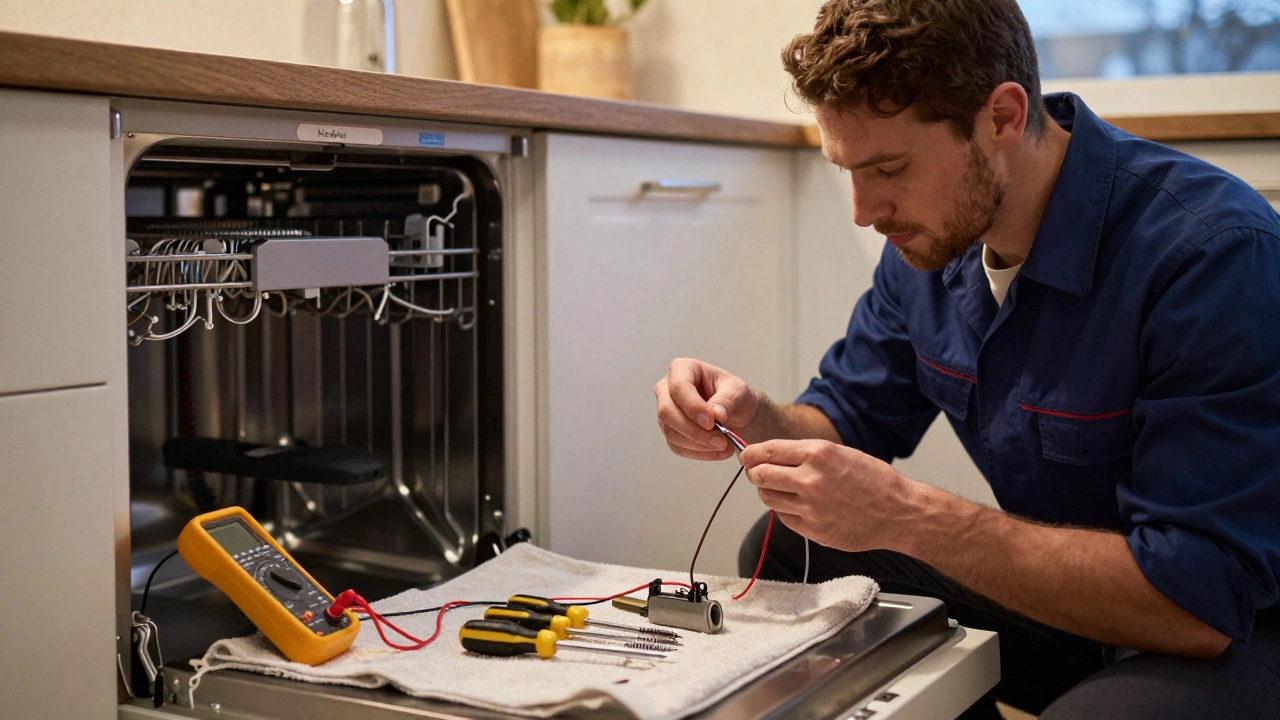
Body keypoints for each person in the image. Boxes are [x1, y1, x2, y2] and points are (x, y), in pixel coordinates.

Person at [652, 0, 1280, 717]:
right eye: (848, 169)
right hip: (1076, 610)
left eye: (889, 166)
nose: (864, 209)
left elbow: (1199, 601)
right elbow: (845, 418)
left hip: (1237, 629)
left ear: (1004, 117)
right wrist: (751, 415)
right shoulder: (930, 244)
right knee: (790, 544)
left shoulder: (1209, 253)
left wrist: (912, 516)